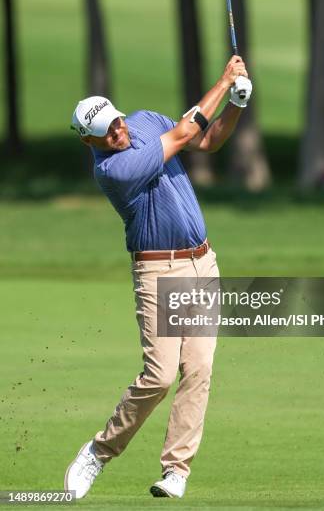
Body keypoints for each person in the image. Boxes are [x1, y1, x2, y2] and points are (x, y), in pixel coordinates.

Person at [64, 55, 252, 499]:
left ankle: (176, 470)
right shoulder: (112, 171)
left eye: (117, 121)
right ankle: (98, 451)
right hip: (158, 269)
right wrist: (226, 80)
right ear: (89, 143)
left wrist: (237, 105)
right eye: (106, 132)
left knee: (199, 369)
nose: (118, 131)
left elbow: (205, 141)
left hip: (202, 263)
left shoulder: (146, 121)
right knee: (160, 375)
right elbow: (186, 131)